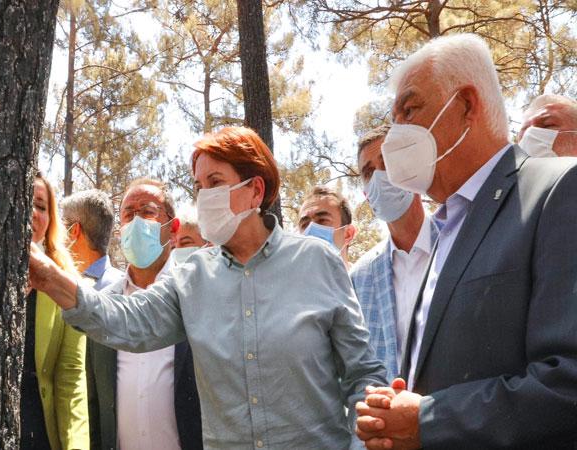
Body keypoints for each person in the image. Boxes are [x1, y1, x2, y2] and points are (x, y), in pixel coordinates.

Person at [29, 126, 387, 449]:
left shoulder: (316, 262)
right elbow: (125, 320)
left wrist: (366, 433)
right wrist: (50, 276)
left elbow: (362, 373)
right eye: (199, 187)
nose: (204, 197)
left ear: (255, 190)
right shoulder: (193, 277)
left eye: (215, 182)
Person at [355, 34, 577, 450]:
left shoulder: (559, 189)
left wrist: (429, 419)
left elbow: (568, 378)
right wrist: (396, 409)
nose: (394, 136)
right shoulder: (446, 226)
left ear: (466, 105)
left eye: (410, 109)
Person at [80, 178, 203, 450]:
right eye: (128, 214)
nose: (136, 222)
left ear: (173, 229)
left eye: (147, 212)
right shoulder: (103, 305)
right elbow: (94, 402)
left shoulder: (195, 295)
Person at [349, 124, 438, 380]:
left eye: (388, 161)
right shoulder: (360, 277)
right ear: (366, 194)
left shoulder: (457, 243)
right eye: (368, 172)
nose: (379, 174)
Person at [21, 174, 89, 450]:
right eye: (25, 202)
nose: (32, 213)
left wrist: (76, 445)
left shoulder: (66, 282)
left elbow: (71, 375)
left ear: (51, 220)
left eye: (41, 205)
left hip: (37, 431)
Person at [60, 189, 124, 291]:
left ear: (74, 230)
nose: (58, 234)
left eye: (62, 226)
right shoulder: (124, 286)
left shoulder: (65, 288)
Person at [296, 186, 356, 267]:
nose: (310, 229)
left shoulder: (365, 277)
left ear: (348, 234)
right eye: (304, 224)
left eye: (322, 220)